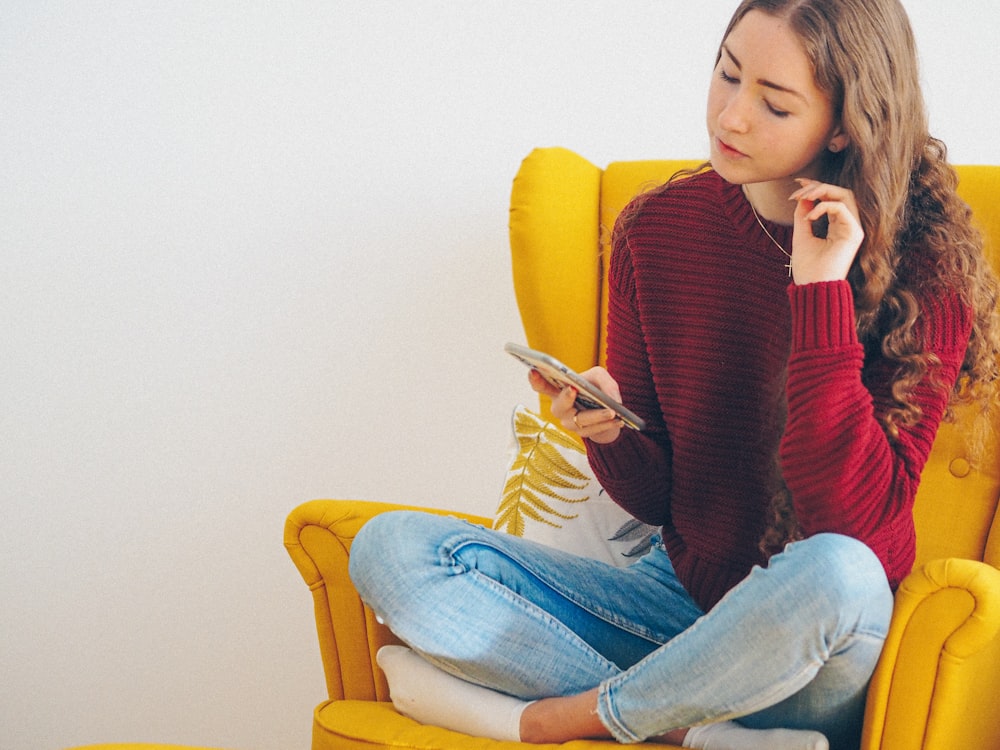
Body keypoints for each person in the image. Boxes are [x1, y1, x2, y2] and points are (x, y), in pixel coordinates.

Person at [349, 0, 1000, 748]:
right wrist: (609, 432)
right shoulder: (655, 231)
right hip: (675, 600)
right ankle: (690, 731)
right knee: (392, 552)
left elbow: (855, 529)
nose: (731, 115)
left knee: (840, 572)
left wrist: (819, 291)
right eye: (727, 74)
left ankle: (568, 721)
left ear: (847, 124)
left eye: (773, 103)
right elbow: (660, 498)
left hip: (814, 635)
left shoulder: (929, 266)